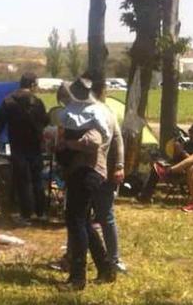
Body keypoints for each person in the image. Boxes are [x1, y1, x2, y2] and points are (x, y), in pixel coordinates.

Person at [56, 78, 115, 291]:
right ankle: (106, 268)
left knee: (76, 221)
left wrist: (67, 143)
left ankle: (77, 279)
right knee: (84, 222)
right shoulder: (93, 111)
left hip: (87, 172)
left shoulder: (93, 113)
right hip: (85, 172)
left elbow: (93, 141)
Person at [0, 72, 49, 225]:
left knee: (23, 181)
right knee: (37, 180)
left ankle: (26, 215)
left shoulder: (8, 101)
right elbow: (45, 121)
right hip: (36, 146)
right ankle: (41, 212)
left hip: (17, 146)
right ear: (31, 85)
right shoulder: (38, 102)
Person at [89, 78, 126, 274]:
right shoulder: (82, 110)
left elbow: (118, 140)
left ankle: (113, 259)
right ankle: (71, 256)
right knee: (79, 218)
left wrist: (118, 166)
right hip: (85, 172)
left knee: (105, 216)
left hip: (101, 172)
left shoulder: (105, 112)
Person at [137, 123, 193, 202]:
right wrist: (176, 151)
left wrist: (182, 152)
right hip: (177, 167)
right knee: (156, 167)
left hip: (190, 171)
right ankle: (145, 195)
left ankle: (167, 171)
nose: (190, 133)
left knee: (186, 168)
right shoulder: (187, 144)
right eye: (190, 131)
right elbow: (176, 159)